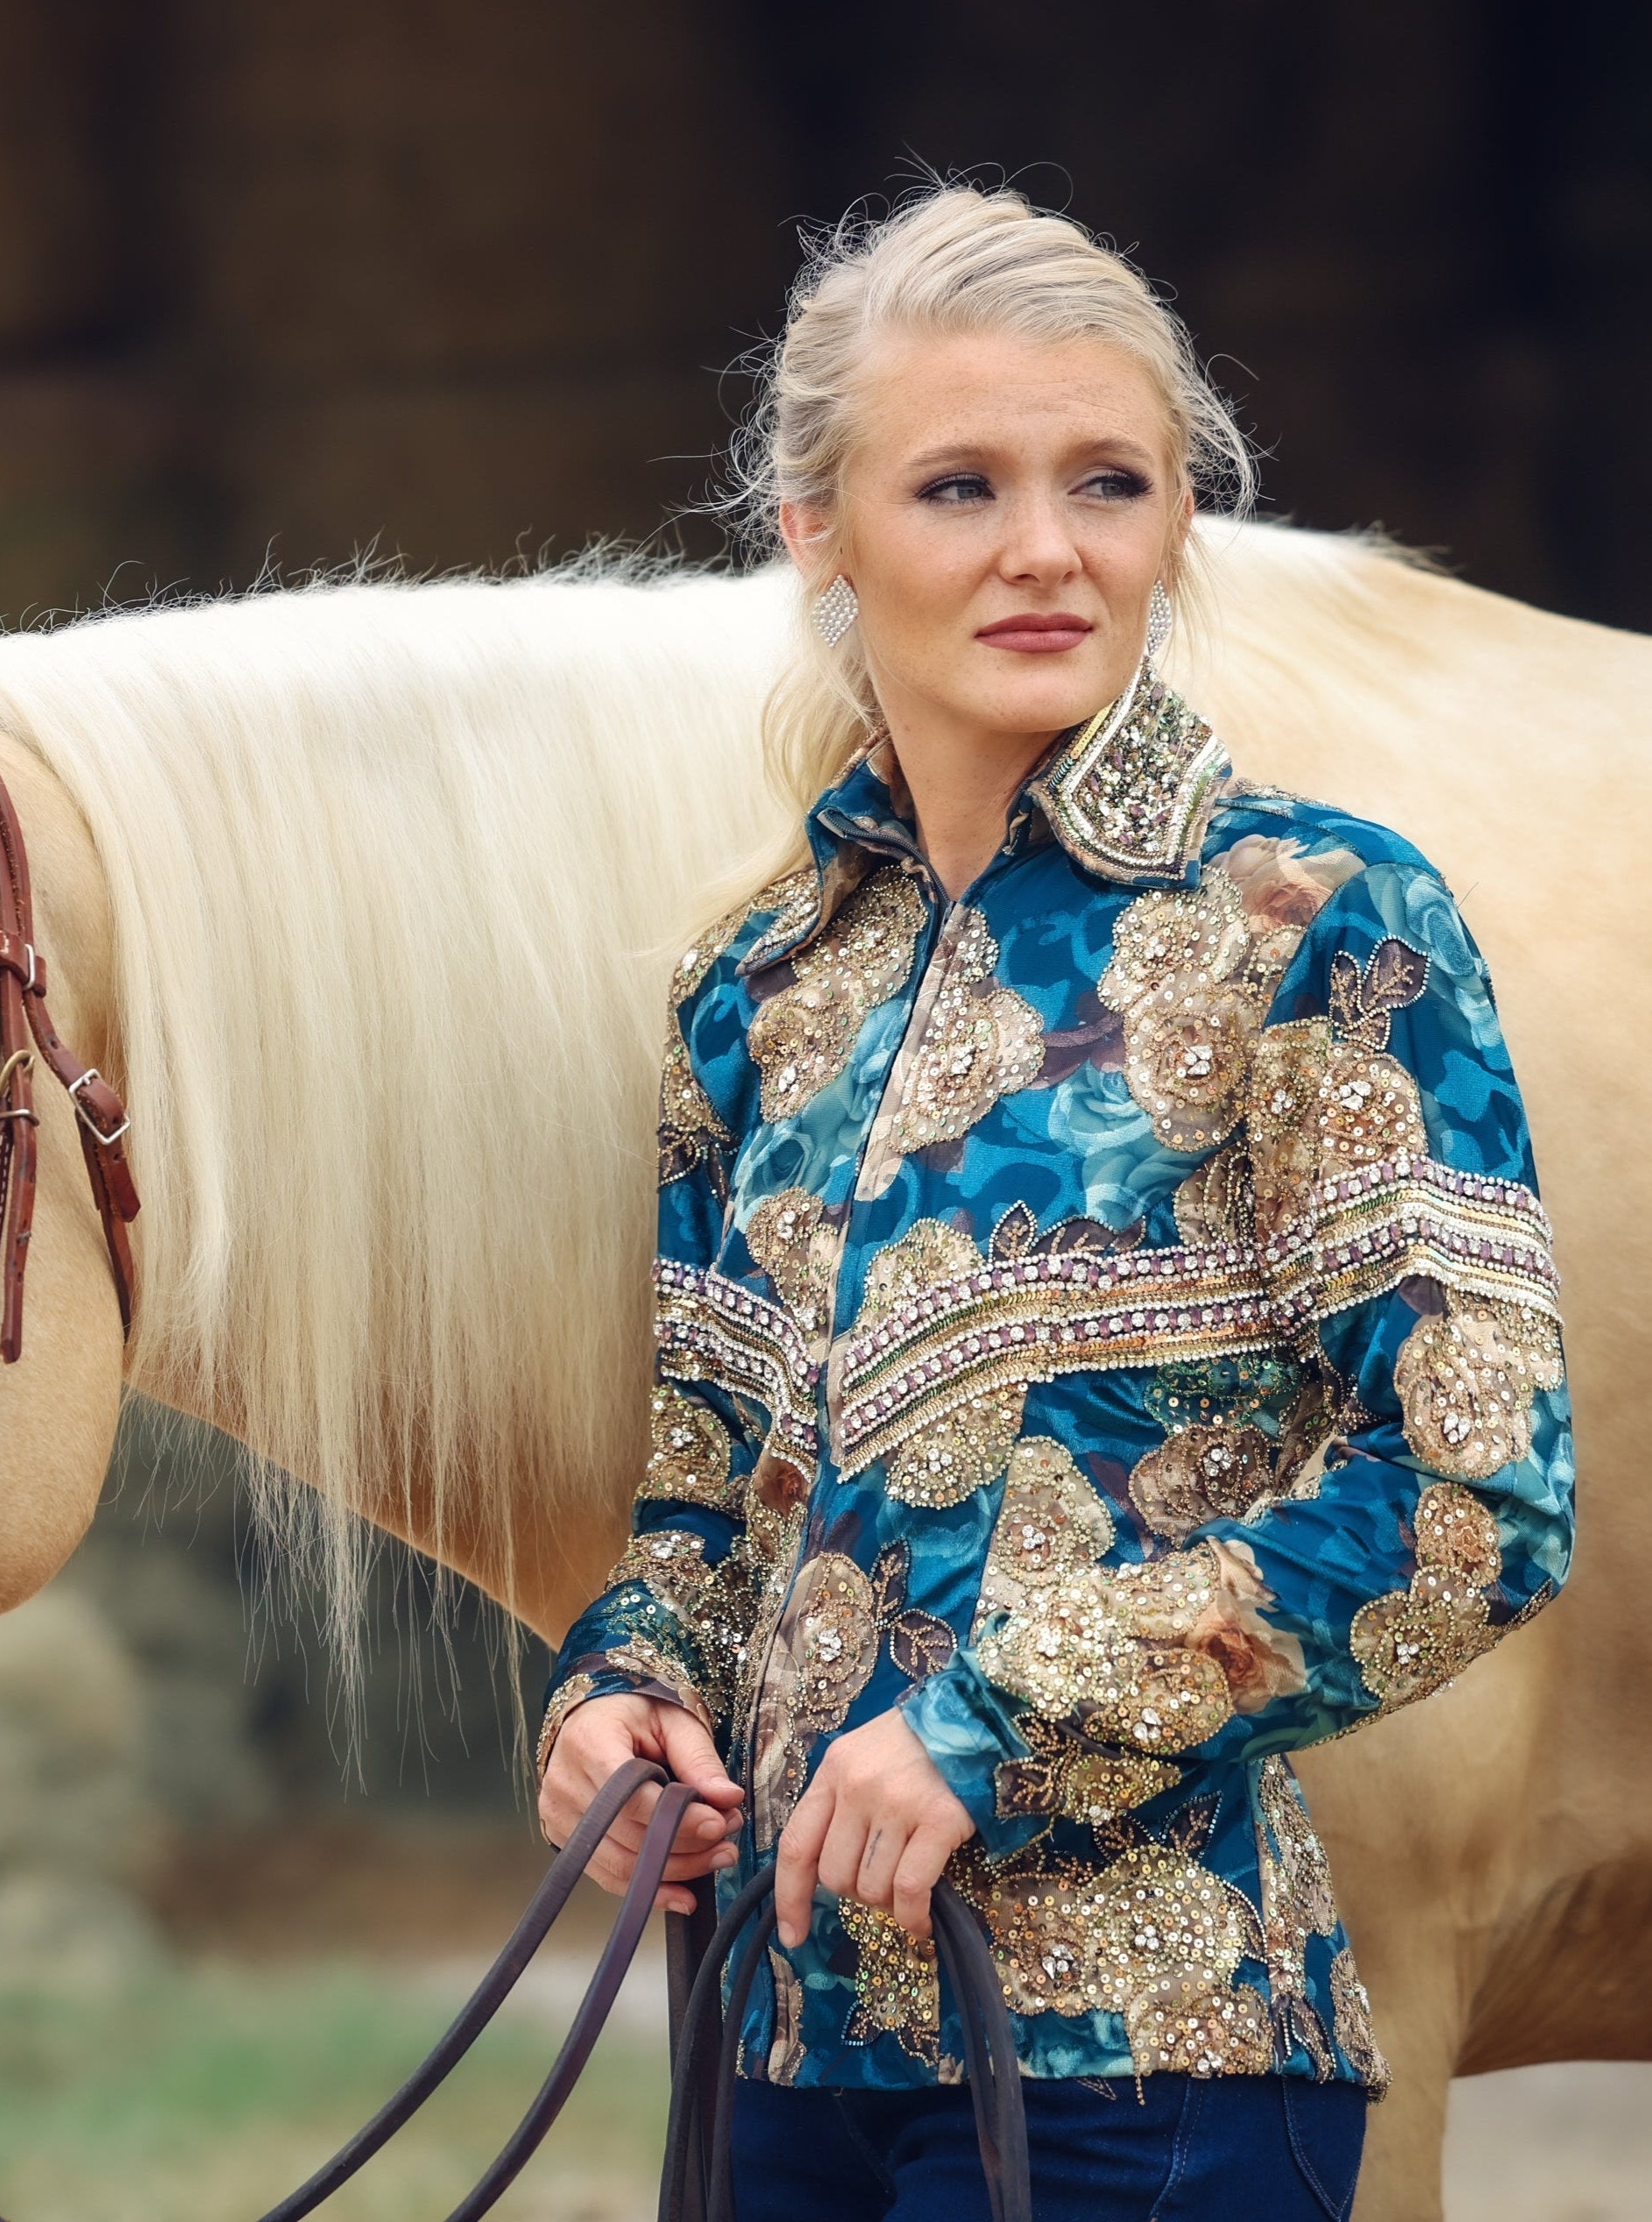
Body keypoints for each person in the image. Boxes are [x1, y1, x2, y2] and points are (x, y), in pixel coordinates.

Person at [535, 185, 1573, 2220]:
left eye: (1109, 481)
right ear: (814, 531)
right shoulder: (758, 989)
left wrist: (990, 1730)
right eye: (960, 486)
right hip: (780, 2060)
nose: (1046, 549)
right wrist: (617, 1700)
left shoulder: (1321, 920)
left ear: (1181, 518)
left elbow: (1474, 1493)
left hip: (1152, 2069)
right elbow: (707, 1498)